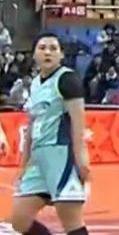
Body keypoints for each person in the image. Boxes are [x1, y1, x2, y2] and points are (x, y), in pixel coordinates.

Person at [11, 33, 91, 235]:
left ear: (61, 54)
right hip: (38, 158)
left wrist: (81, 158)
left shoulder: (67, 79)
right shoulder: (35, 84)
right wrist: (24, 163)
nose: (48, 52)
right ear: (34, 54)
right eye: (42, 48)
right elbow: (32, 125)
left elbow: (78, 121)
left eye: (53, 48)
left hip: (61, 155)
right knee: (19, 220)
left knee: (70, 219)